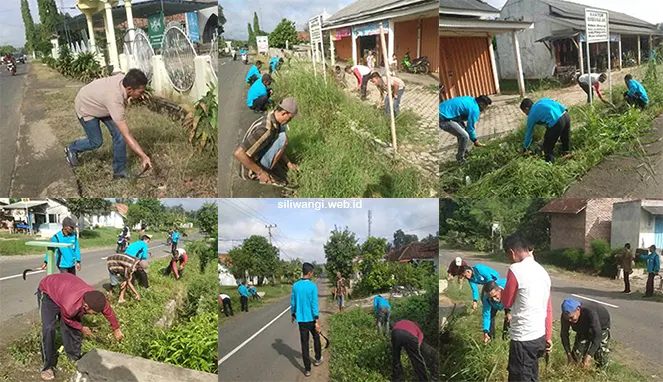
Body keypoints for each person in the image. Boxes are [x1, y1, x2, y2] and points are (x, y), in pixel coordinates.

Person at [65, 69, 152, 179]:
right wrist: (143, 156)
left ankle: (119, 171)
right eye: (140, 92)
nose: (141, 95)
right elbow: (127, 135)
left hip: (102, 104)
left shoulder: (123, 79)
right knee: (96, 142)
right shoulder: (114, 100)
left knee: (118, 136)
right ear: (129, 89)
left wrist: (128, 97)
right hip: (86, 106)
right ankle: (72, 148)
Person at [37, 273, 124, 381]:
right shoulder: (71, 306)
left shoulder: (97, 298)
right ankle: (48, 366)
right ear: (86, 306)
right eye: (94, 313)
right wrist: (82, 328)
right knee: (49, 328)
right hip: (48, 291)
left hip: (65, 289)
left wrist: (116, 328)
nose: (96, 314)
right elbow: (68, 319)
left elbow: (108, 311)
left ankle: (74, 357)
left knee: (72, 328)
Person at [501, 233, 552, 382]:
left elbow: (507, 301)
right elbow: (548, 307)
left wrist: (501, 289)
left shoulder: (516, 269)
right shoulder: (543, 272)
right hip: (539, 336)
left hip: (523, 337)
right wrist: (548, 336)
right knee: (532, 375)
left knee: (520, 377)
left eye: (507, 255)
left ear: (511, 252)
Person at [235, 98, 300, 185]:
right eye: (290, 118)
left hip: (257, 154)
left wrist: (289, 163)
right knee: (283, 139)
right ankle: (267, 173)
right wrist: (261, 172)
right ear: (284, 113)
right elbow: (239, 153)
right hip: (249, 169)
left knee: (282, 132)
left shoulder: (272, 117)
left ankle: (272, 166)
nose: (289, 121)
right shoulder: (265, 129)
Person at [439, 95, 491, 163]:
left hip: (442, 111)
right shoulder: (475, 109)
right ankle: (460, 159)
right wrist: (475, 141)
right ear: (481, 104)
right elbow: (470, 128)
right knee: (464, 136)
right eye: (485, 106)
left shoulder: (470, 99)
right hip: (443, 118)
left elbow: (459, 112)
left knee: (462, 130)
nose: (484, 109)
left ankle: (465, 152)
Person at [560, 298, 611, 368]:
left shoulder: (590, 312)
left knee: (601, 355)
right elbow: (564, 334)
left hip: (601, 325)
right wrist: (569, 355)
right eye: (568, 319)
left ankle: (602, 373)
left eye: (572, 317)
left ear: (578, 309)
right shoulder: (566, 316)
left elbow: (597, 335)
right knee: (576, 356)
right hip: (582, 327)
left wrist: (589, 356)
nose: (570, 321)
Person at [291, 262, 322, 377]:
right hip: (311, 319)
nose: (312, 274)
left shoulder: (295, 286)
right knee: (316, 337)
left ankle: (307, 369)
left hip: (301, 320)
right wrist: (317, 321)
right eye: (312, 273)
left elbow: (293, 302)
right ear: (309, 273)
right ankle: (318, 358)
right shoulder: (312, 286)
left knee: (304, 344)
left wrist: (293, 314)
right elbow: (314, 304)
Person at [519, 98, 571, 162]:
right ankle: (566, 156)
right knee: (565, 138)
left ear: (526, 108)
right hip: (565, 114)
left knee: (547, 146)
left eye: (525, 112)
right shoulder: (542, 101)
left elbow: (529, 133)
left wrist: (525, 147)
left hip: (557, 121)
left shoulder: (531, 115)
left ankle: (550, 164)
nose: (526, 114)